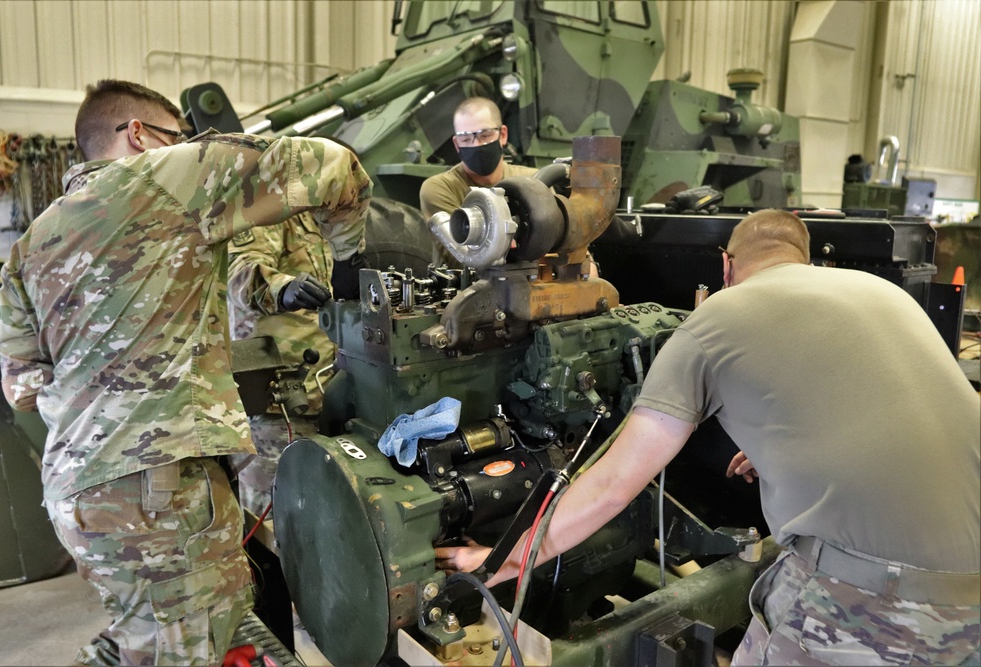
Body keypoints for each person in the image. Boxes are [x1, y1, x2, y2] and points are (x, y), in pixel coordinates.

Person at [437, 209, 980, 665]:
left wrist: (505, 559)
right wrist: (783, 449)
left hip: (885, 602)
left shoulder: (717, 317)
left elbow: (611, 486)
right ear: (807, 259)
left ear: (725, 266)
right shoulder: (881, 293)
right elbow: (881, 402)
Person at [0, 79, 370, 667]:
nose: (186, 144)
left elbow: (19, 387)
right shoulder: (169, 176)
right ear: (139, 135)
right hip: (157, 491)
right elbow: (335, 165)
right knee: (185, 646)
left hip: (75, 492)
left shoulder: (32, 242)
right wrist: (350, 258)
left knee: (144, 633)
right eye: (177, 135)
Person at [226, 212, 337, 518]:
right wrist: (281, 288)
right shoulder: (263, 208)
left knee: (314, 514)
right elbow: (238, 269)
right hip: (276, 404)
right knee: (274, 518)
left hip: (318, 388)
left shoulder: (312, 215)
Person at [419, 96, 537, 267]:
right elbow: (463, 257)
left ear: (502, 135)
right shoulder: (440, 188)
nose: (476, 145)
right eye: (466, 139)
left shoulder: (534, 182)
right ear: (457, 144)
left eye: (485, 135)